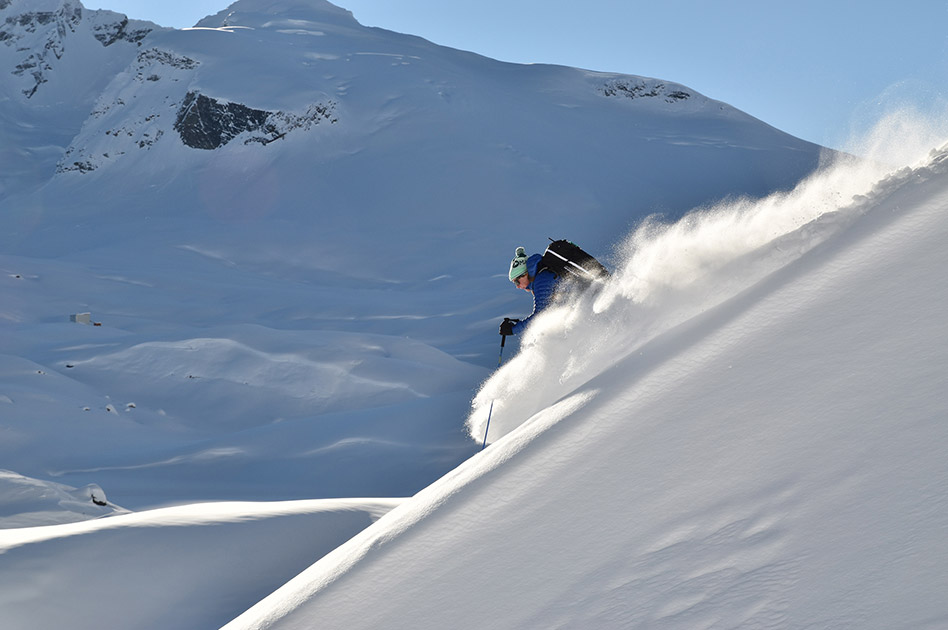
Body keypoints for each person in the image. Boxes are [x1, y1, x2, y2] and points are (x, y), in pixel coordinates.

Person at [500, 246, 559, 336]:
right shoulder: (543, 276)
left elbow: (540, 316)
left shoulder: (542, 279)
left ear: (525, 274)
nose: (518, 287)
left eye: (517, 282)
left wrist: (513, 330)